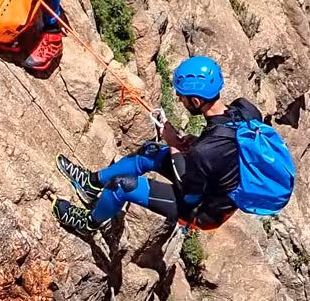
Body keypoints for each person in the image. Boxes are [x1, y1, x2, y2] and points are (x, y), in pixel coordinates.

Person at [53, 56, 262, 238]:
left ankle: (89, 223)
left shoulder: (206, 151)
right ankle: (91, 184)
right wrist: (196, 142)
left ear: (196, 101)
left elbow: (189, 194)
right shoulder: (244, 110)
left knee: (121, 186)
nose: (179, 99)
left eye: (181, 96)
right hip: (211, 182)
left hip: (202, 209)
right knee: (150, 153)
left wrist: (174, 144)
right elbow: (225, 147)